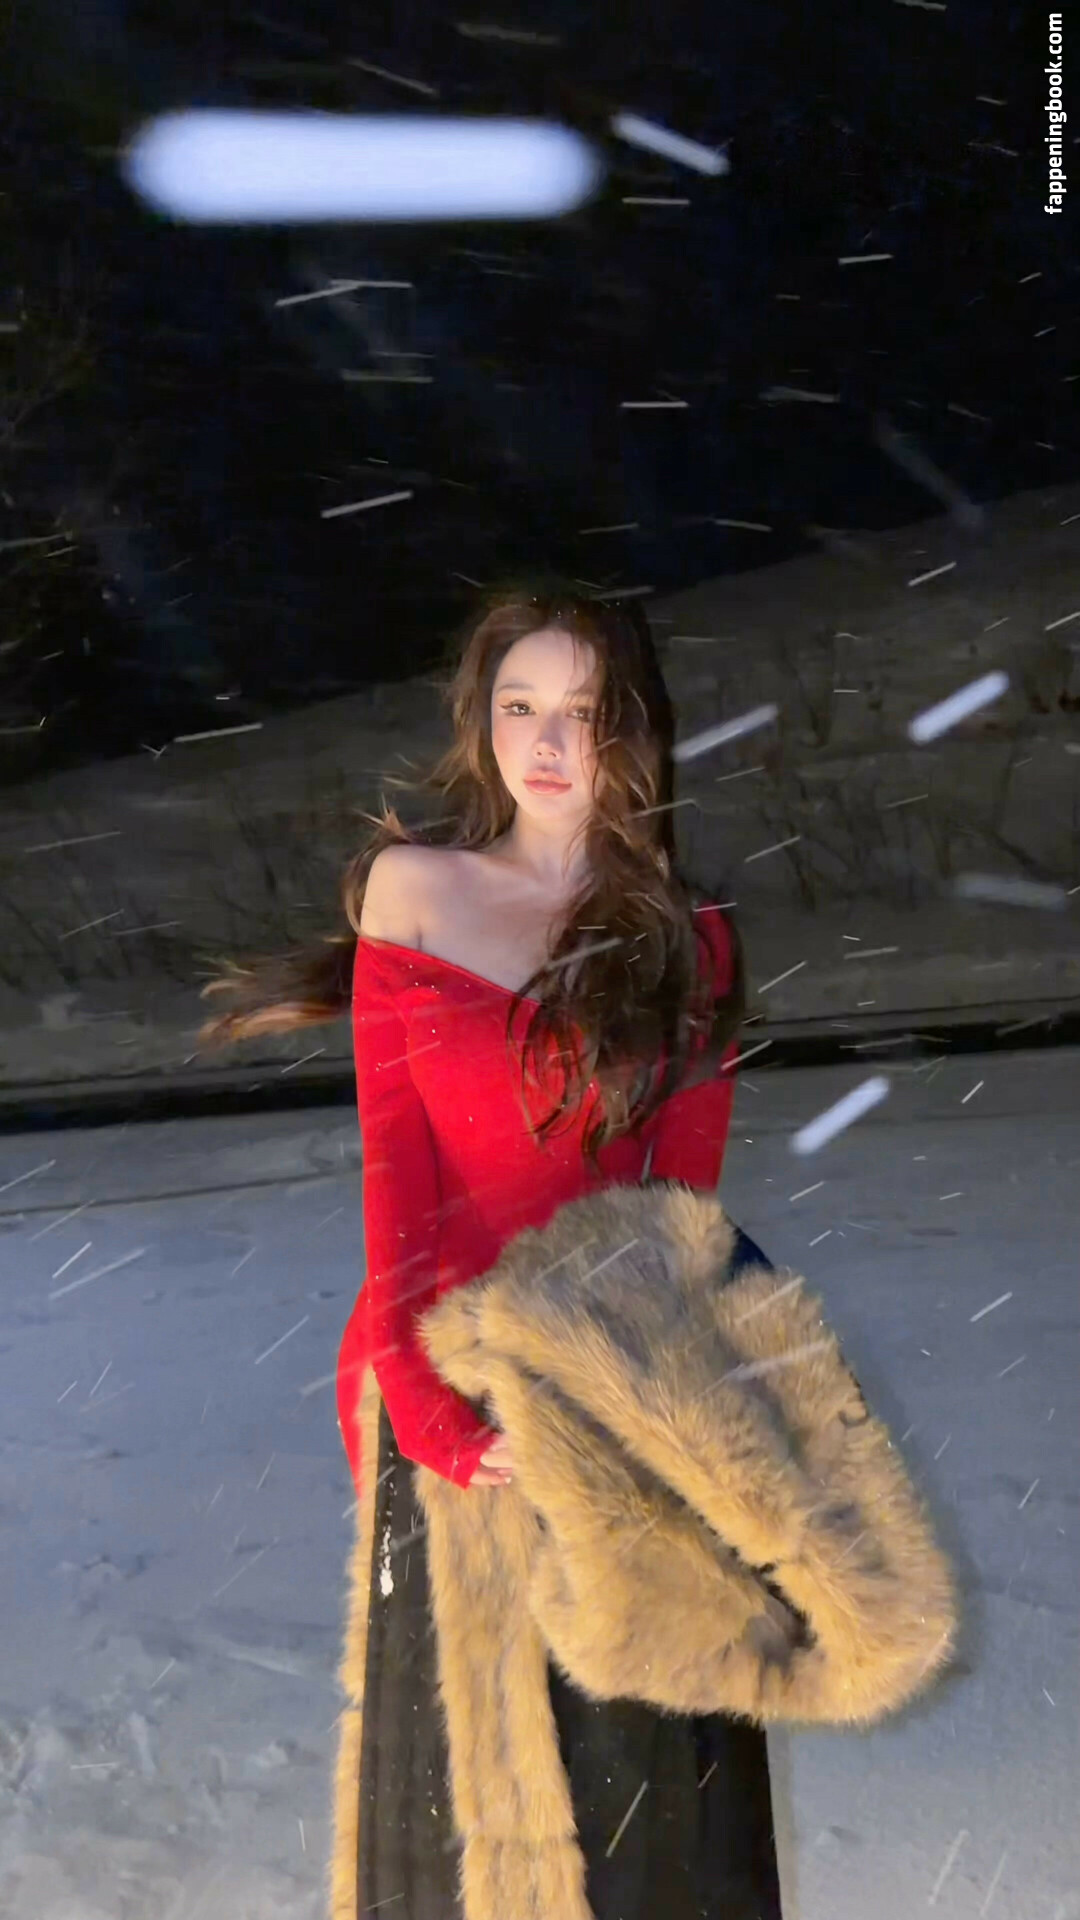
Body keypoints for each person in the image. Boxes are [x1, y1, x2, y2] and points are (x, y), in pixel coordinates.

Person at [199, 580, 783, 1920]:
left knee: (642, 1806)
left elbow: (674, 1215)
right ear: (482, 722)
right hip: (445, 1389)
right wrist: (433, 1418)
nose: (548, 742)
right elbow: (396, 1189)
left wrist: (630, 1411)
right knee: (464, 1808)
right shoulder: (411, 893)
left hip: (612, 1392)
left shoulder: (688, 940)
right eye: (521, 706)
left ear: (633, 733)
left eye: (584, 711)